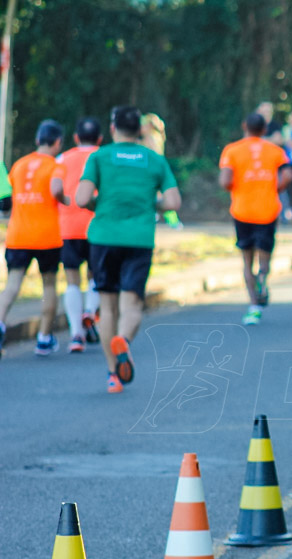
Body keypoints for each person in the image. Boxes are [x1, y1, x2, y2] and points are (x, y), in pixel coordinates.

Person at [75, 105, 181, 393]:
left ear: (112, 129)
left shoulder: (100, 156)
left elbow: (81, 197)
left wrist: (101, 204)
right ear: (141, 131)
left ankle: (113, 375)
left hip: (104, 237)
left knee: (107, 306)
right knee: (132, 304)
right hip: (139, 239)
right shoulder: (154, 160)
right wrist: (151, 204)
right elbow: (173, 202)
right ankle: (124, 338)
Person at [0, 120, 68, 358]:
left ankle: (0, 324)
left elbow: (7, 199)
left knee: (12, 284)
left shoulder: (19, 165)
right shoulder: (56, 166)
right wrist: (65, 201)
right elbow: (57, 190)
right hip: (47, 237)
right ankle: (44, 338)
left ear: (38, 140)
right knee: (49, 285)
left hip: (18, 235)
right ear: (58, 142)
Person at [219, 112, 292, 326]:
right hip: (268, 210)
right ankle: (263, 280)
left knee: (246, 259)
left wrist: (238, 187)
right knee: (264, 256)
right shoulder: (275, 151)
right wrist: (275, 188)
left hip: (242, 211)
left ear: (244, 126)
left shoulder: (232, 150)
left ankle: (253, 305)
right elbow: (288, 174)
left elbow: (225, 180)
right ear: (264, 129)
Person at [53, 117, 103, 352]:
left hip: (68, 227)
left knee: (72, 280)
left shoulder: (62, 158)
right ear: (100, 138)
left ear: (75, 137)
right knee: (95, 277)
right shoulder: (105, 157)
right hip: (97, 227)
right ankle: (90, 312)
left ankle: (76, 335)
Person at [140, 113, 182, 229]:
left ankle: (172, 222)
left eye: (142, 125)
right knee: (159, 195)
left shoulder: (151, 137)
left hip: (151, 171)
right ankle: (170, 221)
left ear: (148, 125)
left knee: (160, 196)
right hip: (154, 171)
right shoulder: (155, 136)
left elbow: (152, 156)